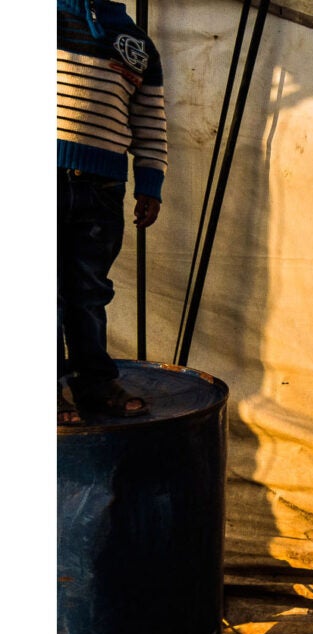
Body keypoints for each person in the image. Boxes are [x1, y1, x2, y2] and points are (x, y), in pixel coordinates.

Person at [58, 0, 167, 425]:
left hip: (101, 190)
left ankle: (95, 383)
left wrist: (150, 185)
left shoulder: (134, 40)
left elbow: (150, 116)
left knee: (88, 292)